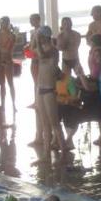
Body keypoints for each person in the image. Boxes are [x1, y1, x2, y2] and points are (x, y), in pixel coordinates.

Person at [34, 26, 66, 158]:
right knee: (44, 123)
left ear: (45, 36)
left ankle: (63, 150)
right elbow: (33, 51)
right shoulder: (41, 48)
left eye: (40, 36)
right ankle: (46, 154)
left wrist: (36, 40)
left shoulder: (53, 50)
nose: (38, 38)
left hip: (49, 90)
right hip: (40, 88)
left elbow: (42, 55)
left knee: (54, 123)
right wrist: (35, 40)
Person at [0, 16, 16, 111]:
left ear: (7, 23)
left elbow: (7, 50)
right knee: (1, 84)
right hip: (0, 61)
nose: (1, 25)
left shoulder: (11, 35)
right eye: (1, 23)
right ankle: (3, 104)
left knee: (10, 83)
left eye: (3, 23)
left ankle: (13, 104)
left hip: (7, 61)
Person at [26, 13, 42, 84]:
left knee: (39, 82)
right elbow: (32, 44)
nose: (30, 22)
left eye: (32, 20)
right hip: (34, 58)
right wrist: (28, 46)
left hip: (38, 59)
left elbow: (41, 46)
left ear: (38, 20)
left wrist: (32, 49)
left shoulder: (41, 31)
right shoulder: (33, 31)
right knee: (36, 82)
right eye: (30, 20)